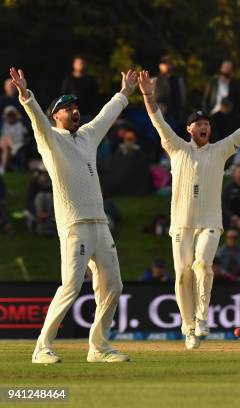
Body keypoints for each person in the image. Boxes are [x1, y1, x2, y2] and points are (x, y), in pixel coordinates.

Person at [139, 70, 240, 349]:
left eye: (207, 123)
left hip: (210, 222)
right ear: (189, 130)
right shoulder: (177, 147)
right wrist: (147, 95)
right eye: (198, 124)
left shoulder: (220, 150)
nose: (204, 127)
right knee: (182, 274)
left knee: (202, 266)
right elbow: (157, 120)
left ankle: (202, 320)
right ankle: (188, 327)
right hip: (181, 223)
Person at [11, 66, 138, 363]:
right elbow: (37, 121)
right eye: (68, 109)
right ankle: (42, 347)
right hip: (74, 225)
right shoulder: (50, 138)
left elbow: (106, 116)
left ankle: (99, 346)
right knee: (70, 285)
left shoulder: (87, 136)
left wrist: (124, 93)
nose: (74, 111)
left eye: (76, 107)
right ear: (56, 116)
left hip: (100, 224)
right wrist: (25, 95)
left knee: (113, 285)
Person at [60, 55, 100, 120]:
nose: (80, 65)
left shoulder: (91, 80)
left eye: (82, 63)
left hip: (87, 114)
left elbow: (95, 97)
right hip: (72, 114)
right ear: (74, 65)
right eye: (78, 63)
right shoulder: (68, 80)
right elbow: (63, 97)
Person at [155, 55, 187, 124]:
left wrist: (182, 108)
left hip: (175, 111)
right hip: (161, 111)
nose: (166, 66)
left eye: (168, 63)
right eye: (164, 63)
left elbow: (182, 95)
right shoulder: (156, 80)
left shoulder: (177, 79)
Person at [0, 105, 28, 174]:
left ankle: (3, 168)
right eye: (8, 115)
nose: (10, 117)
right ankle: (3, 167)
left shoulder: (20, 124)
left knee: (6, 140)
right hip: (7, 146)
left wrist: (20, 118)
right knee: (5, 145)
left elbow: (29, 129)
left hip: (18, 144)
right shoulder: (3, 124)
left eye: (12, 115)